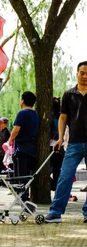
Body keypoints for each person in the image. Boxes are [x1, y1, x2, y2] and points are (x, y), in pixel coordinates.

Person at [45, 62, 87, 223]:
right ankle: (55, 212)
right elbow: (63, 117)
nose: (85, 76)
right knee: (65, 176)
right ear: (77, 73)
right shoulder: (69, 94)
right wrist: (61, 138)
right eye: (82, 72)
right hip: (74, 143)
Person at [8, 91, 39, 207]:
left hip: (22, 149)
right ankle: (25, 199)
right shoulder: (35, 114)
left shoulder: (22, 113)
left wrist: (10, 139)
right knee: (26, 177)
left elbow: (16, 129)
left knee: (20, 177)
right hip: (32, 150)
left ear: (22, 101)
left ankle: (24, 202)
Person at [0, 117, 11, 186]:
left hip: (4, 153)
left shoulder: (8, 132)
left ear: (5, 124)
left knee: (4, 168)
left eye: (1, 122)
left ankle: (4, 183)